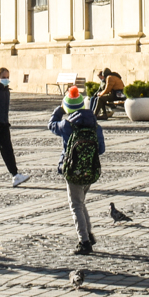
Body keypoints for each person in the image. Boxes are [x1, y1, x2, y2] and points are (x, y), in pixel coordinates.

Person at [49, 85, 104, 255]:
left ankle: (84, 242)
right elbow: (101, 149)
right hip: (91, 170)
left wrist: (59, 109)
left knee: (76, 206)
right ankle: (89, 234)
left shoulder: (67, 125)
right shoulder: (96, 125)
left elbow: (51, 125)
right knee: (80, 202)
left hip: (73, 170)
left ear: (68, 108)